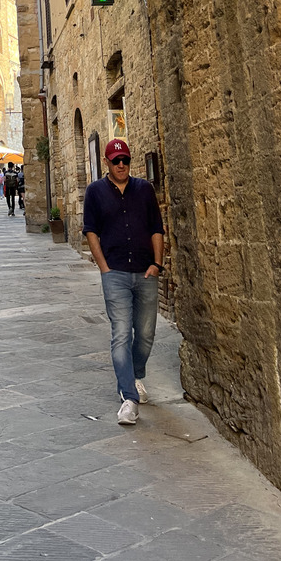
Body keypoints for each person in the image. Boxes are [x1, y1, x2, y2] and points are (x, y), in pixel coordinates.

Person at [82, 139, 164, 425]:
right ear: (107, 162)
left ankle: (135, 373)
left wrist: (157, 263)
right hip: (114, 272)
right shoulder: (95, 192)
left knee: (145, 333)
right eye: (116, 160)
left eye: (125, 160)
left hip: (145, 272)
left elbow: (157, 228)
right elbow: (91, 231)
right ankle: (129, 397)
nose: (121, 165)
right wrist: (103, 267)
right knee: (121, 334)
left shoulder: (144, 190)